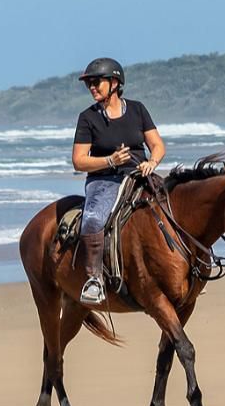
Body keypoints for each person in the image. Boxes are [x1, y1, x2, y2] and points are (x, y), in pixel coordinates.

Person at [70, 58, 165, 305]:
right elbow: (79, 161)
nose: (91, 87)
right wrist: (110, 161)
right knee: (92, 219)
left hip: (140, 175)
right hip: (105, 181)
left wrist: (152, 162)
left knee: (173, 204)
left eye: (95, 82)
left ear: (114, 82)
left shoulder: (137, 109)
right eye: (88, 84)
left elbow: (157, 145)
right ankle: (94, 279)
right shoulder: (87, 118)